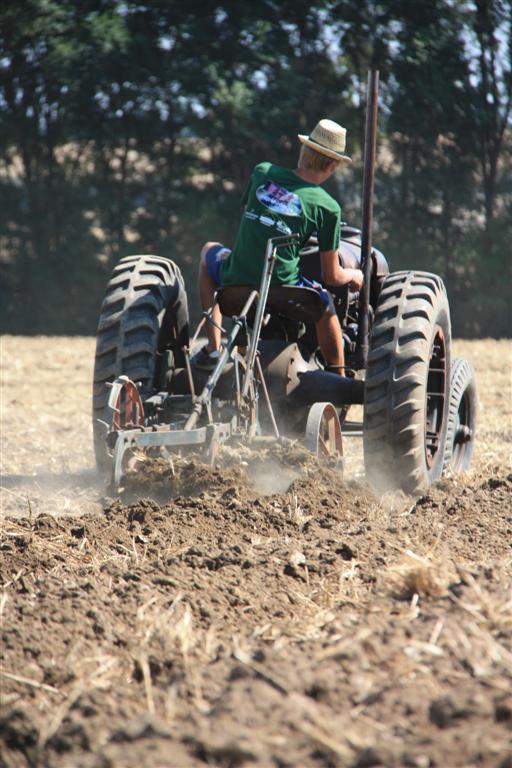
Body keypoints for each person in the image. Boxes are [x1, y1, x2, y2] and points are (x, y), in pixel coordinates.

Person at [195, 118, 363, 372]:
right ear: (331, 166)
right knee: (325, 303)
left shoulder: (262, 172)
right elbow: (332, 275)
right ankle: (338, 376)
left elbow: (257, 219)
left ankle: (213, 349)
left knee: (208, 249)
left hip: (235, 284)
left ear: (303, 151)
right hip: (287, 291)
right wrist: (355, 274)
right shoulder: (328, 207)